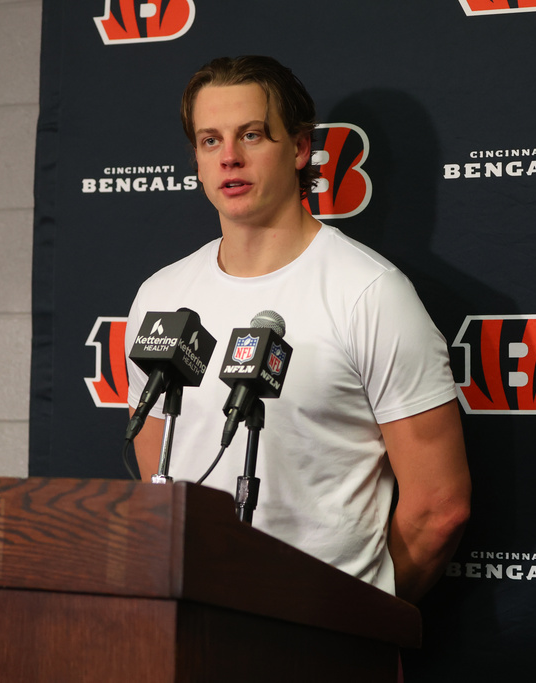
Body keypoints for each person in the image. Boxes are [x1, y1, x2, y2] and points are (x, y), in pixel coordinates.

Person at [125, 55, 470, 603]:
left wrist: (353, 620)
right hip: (191, 623)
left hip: (325, 639)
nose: (230, 158)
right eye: (210, 140)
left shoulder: (370, 293)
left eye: (252, 135)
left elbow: (439, 507)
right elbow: (155, 476)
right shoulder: (159, 297)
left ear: (301, 148)